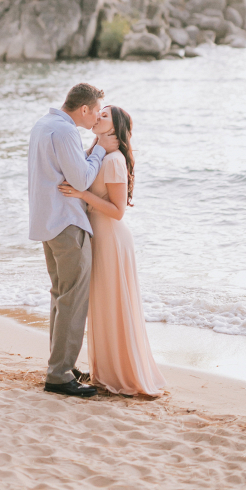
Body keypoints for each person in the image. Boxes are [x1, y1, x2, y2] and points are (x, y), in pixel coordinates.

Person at [59, 105, 166, 397]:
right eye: (98, 113)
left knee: (114, 304)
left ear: (115, 129)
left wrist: (82, 194)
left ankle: (122, 373)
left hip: (111, 238)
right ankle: (104, 371)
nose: (97, 118)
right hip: (98, 236)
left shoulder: (115, 161)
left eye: (103, 116)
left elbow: (118, 212)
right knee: (102, 304)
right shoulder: (99, 155)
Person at [28, 83, 119, 398]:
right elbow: (81, 180)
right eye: (96, 112)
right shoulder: (66, 132)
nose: (96, 119)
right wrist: (96, 153)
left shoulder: (43, 124)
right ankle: (59, 374)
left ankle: (61, 365)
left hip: (46, 220)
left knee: (60, 295)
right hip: (66, 221)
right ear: (84, 109)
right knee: (73, 298)